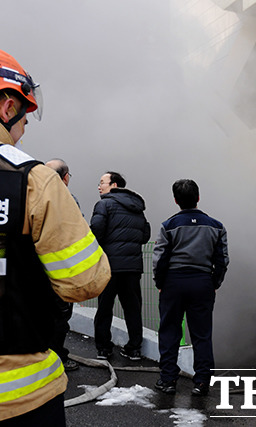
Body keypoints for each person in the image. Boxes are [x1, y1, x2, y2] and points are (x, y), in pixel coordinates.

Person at [0, 49, 110, 425]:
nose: (25, 128)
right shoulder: (33, 181)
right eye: (25, 118)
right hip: (19, 397)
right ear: (7, 107)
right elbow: (86, 279)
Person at [152, 179, 229, 396]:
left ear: (176, 200)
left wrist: (161, 283)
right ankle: (202, 381)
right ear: (198, 198)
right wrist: (214, 282)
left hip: (173, 283)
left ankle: (168, 380)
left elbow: (160, 259)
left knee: (169, 331)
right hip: (202, 282)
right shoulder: (216, 226)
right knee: (202, 334)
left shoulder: (168, 226)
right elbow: (222, 259)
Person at [90, 171, 150, 361]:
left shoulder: (103, 204)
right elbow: (145, 236)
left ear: (114, 185)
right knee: (133, 309)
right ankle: (134, 349)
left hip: (109, 267)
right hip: (132, 268)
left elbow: (96, 232)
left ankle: (104, 349)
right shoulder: (138, 208)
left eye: (102, 183)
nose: (99, 186)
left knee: (104, 308)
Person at [44, 158, 80, 372]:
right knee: (60, 316)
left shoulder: (30, 195)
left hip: (35, 270)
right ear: (65, 177)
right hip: (60, 271)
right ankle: (57, 358)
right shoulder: (68, 199)